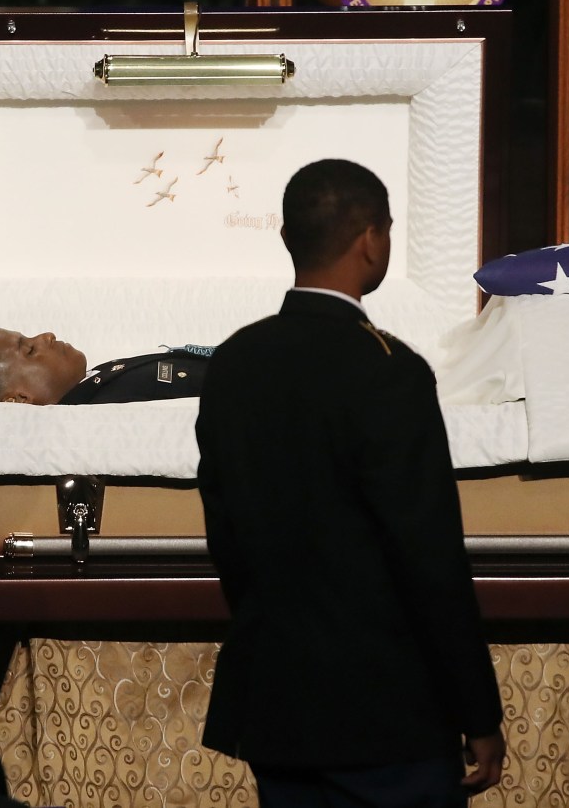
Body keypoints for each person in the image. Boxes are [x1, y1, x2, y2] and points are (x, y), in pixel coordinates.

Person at [195, 159, 505, 808]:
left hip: (278, 704)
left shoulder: (233, 364)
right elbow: (429, 561)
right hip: (388, 715)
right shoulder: (389, 371)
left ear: (290, 239)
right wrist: (478, 711)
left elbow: (227, 539)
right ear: (370, 239)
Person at [0, 327, 211, 404]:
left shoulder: (97, 382)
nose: (46, 336)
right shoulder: (103, 412)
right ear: (19, 398)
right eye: (29, 349)